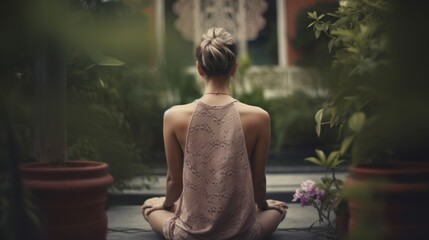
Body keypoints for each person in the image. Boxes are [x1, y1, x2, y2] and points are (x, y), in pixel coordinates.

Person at [142, 27, 288, 240]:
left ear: (199, 69)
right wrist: (264, 206)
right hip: (242, 234)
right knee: (279, 209)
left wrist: (165, 204)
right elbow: (259, 185)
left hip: (189, 235)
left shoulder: (173, 116)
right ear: (234, 68)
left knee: (149, 207)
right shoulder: (259, 117)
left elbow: (174, 183)